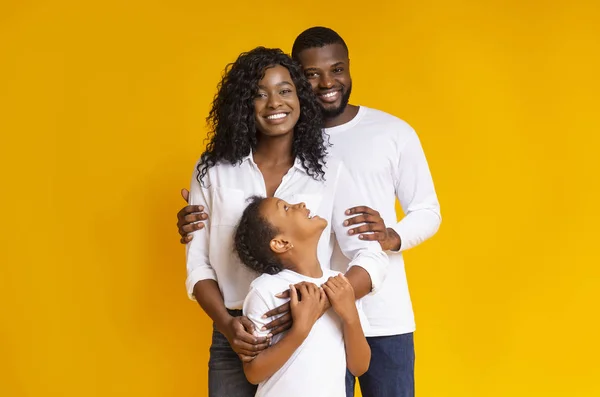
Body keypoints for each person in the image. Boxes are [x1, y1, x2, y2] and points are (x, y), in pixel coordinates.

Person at [178, 28, 441, 397]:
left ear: (299, 96)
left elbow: (369, 251)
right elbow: (198, 263)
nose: (274, 103)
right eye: (259, 94)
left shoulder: (328, 168)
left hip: (315, 328)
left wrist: (321, 303)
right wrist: (227, 324)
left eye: (285, 91)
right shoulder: (213, 168)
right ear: (243, 104)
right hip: (235, 332)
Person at [235, 196, 370, 396]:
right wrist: (300, 330)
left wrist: (350, 315)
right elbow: (254, 373)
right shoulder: (265, 289)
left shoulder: (340, 284)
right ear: (281, 243)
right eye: (287, 209)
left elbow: (359, 367)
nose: (301, 205)